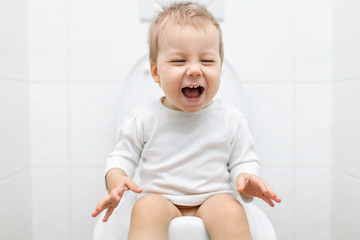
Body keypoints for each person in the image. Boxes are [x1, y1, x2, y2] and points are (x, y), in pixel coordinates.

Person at [92, 2, 281, 239]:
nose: (194, 70)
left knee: (229, 210)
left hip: (213, 198)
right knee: (146, 207)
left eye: (207, 61)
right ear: (155, 72)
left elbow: (244, 160)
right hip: (160, 198)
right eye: (179, 61)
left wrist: (246, 177)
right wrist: (117, 179)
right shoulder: (143, 118)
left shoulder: (231, 119)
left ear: (220, 68)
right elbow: (121, 157)